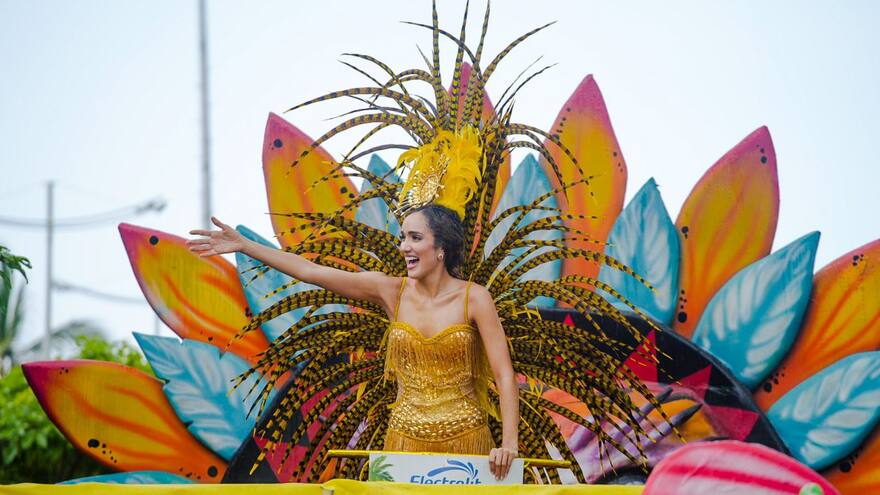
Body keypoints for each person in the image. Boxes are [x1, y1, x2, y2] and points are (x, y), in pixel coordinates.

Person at [187, 204, 520, 480]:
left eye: (415, 238)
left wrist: (509, 444)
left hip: (468, 445)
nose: (404, 246)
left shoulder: (475, 299)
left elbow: (504, 375)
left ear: (441, 248)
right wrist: (246, 246)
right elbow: (311, 272)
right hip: (404, 444)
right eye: (403, 237)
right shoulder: (390, 290)